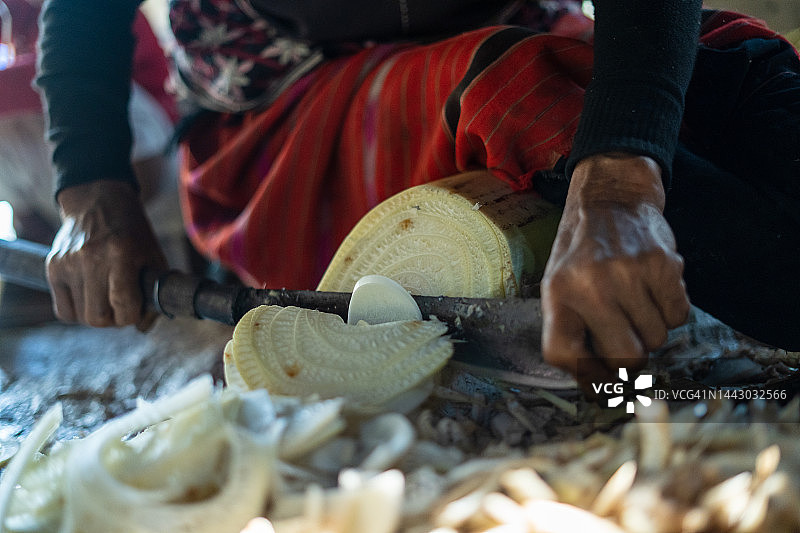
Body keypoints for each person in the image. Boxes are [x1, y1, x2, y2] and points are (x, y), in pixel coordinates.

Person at [35, 0, 800, 382]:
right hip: (282, 112)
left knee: (743, 73)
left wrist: (621, 178)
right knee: (518, 93)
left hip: (508, 27)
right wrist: (90, 190)